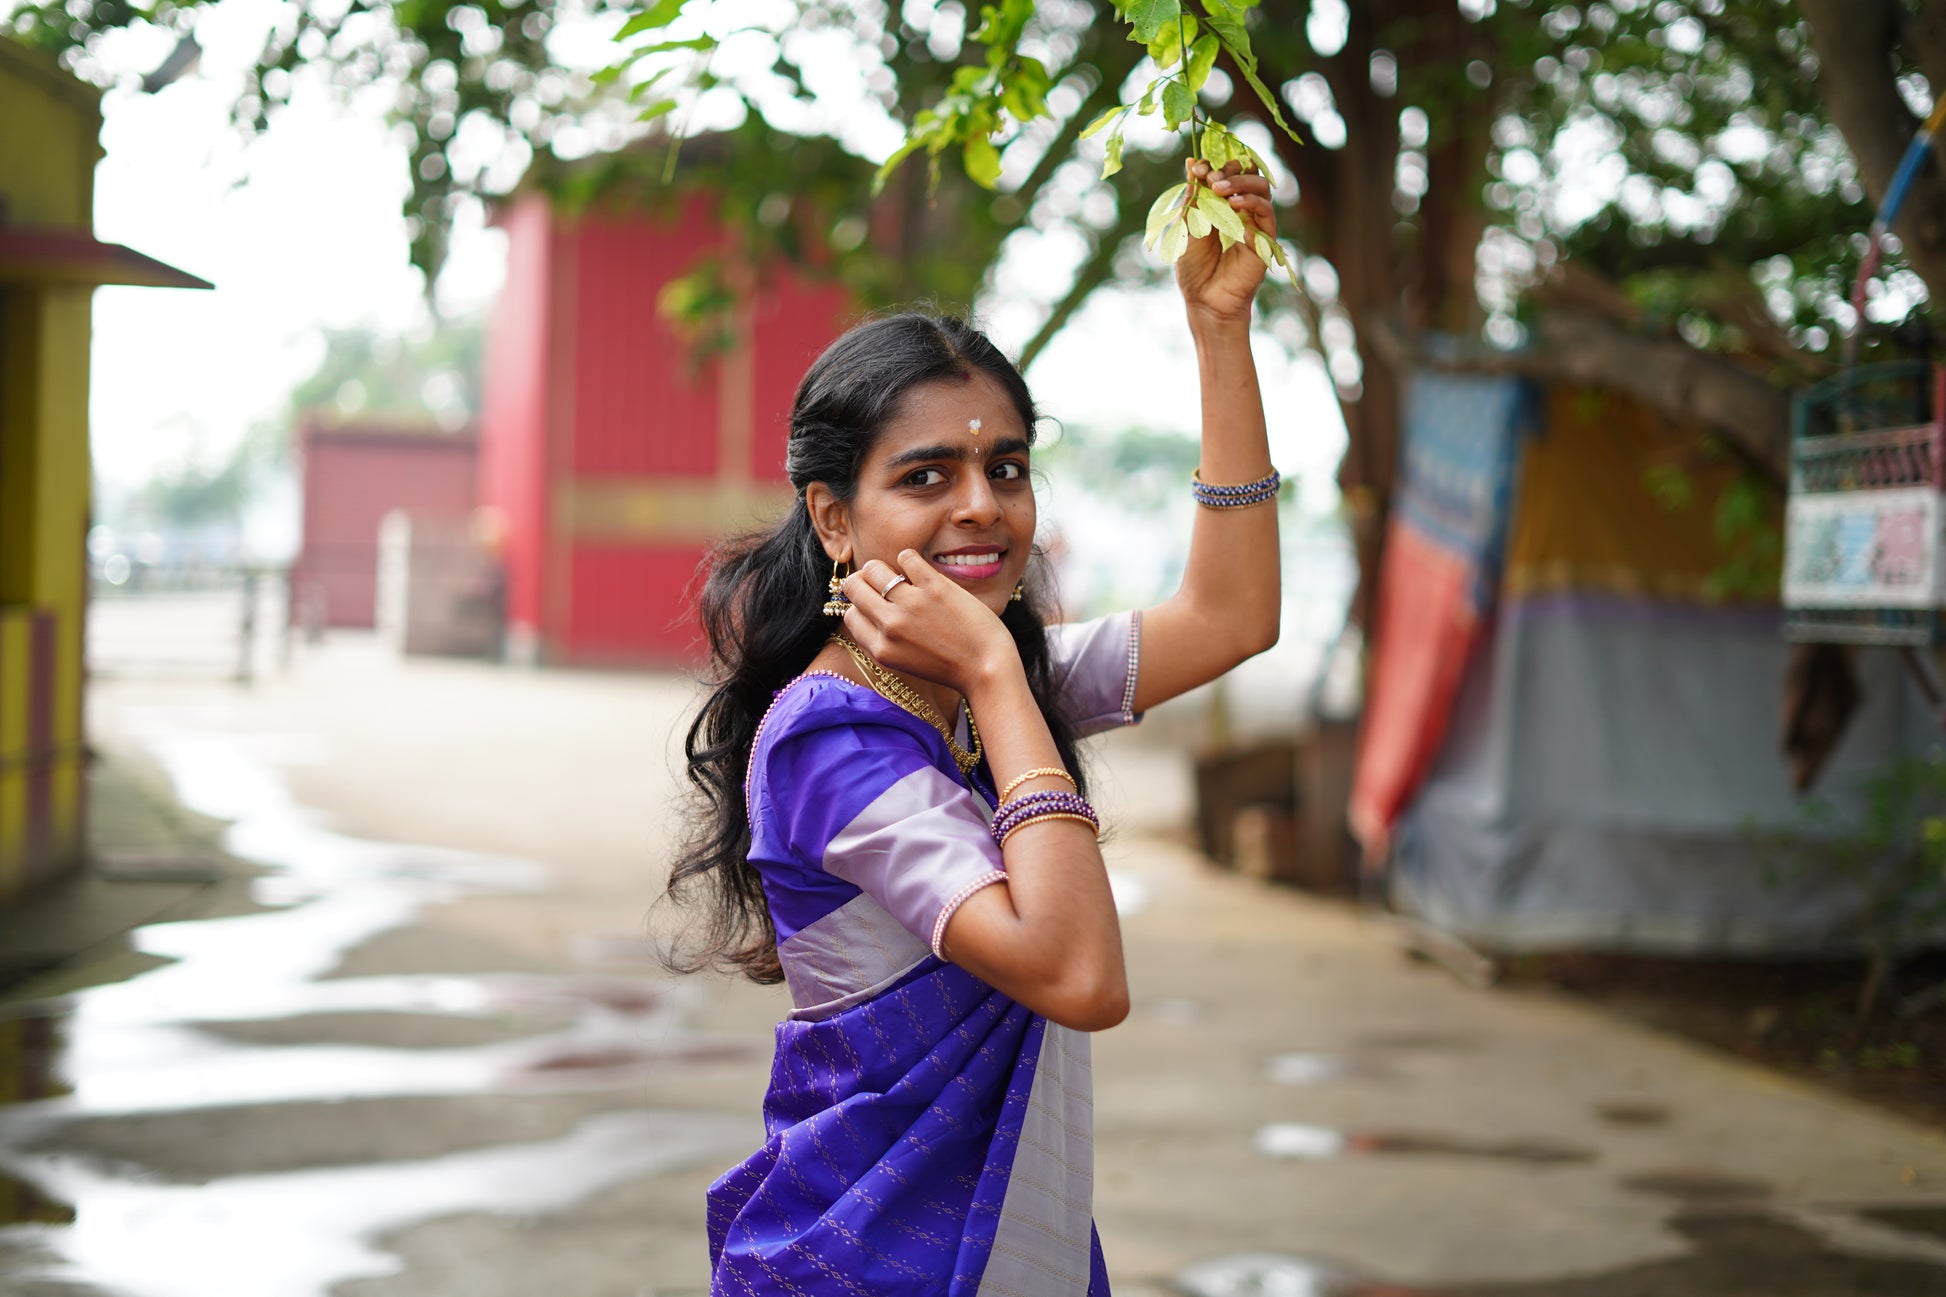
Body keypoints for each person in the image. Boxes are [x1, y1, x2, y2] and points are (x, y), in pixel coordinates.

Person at [668, 158, 1283, 1295]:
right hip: (869, 1252)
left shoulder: (987, 680)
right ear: (833, 517)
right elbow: (1078, 974)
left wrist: (1218, 332)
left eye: (1006, 467)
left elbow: (1231, 616)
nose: (981, 507)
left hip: (1004, 1239)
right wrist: (997, 675)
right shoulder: (829, 739)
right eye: (926, 476)